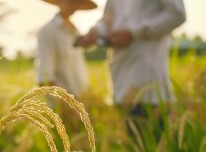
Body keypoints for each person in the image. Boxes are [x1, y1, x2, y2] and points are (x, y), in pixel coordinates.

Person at [77, 0, 186, 140]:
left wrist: (134, 32)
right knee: (132, 148)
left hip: (149, 83)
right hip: (120, 81)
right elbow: (108, 19)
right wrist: (97, 31)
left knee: (156, 148)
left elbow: (177, 14)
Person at [36, 0, 97, 130]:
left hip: (84, 105)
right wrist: (66, 107)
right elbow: (45, 78)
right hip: (65, 111)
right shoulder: (48, 31)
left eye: (77, 2)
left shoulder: (76, 32)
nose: (74, 5)